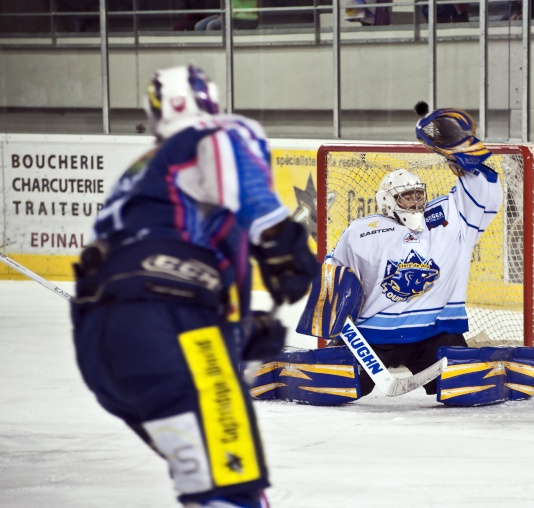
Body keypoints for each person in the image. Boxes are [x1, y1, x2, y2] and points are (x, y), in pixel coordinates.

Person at [70, 64, 318, 508]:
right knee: (231, 488)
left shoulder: (140, 175)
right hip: (168, 325)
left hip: (102, 350)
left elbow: (146, 265)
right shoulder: (215, 134)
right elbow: (241, 187)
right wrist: (282, 243)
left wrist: (238, 333)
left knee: (206, 483)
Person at [323, 108, 503, 397]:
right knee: (340, 388)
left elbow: (487, 196)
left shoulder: (448, 217)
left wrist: (467, 159)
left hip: (434, 334)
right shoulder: (361, 230)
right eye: (408, 196)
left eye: (419, 194)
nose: (417, 201)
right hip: (373, 336)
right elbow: (333, 272)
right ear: (388, 200)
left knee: (463, 391)